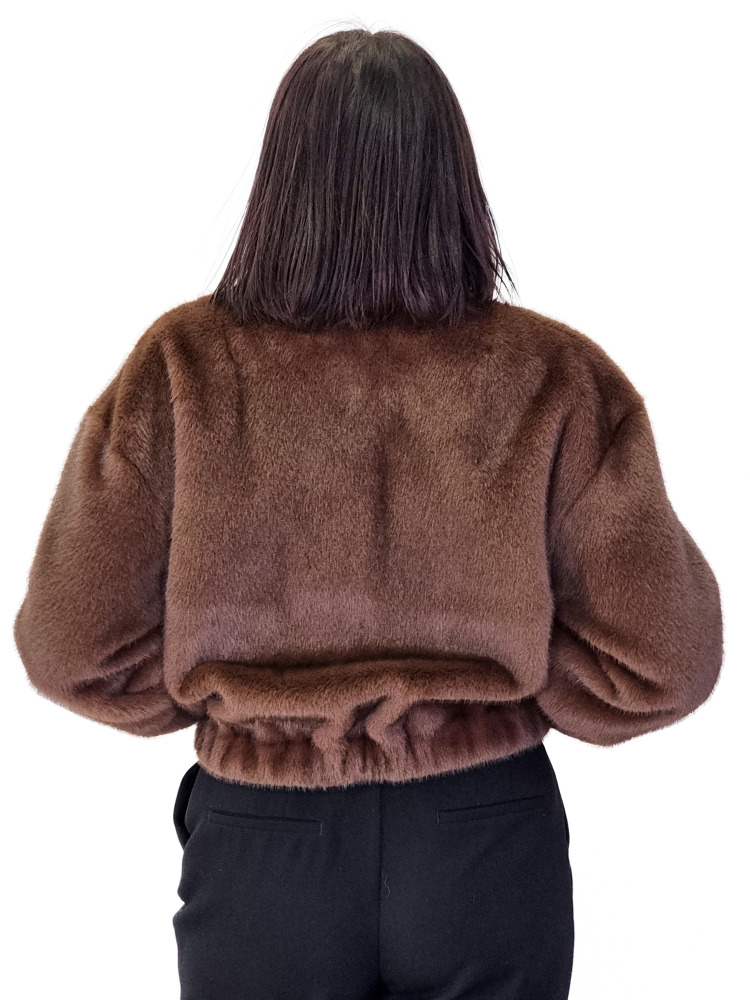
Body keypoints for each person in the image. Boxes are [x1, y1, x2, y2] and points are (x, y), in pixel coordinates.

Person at [13, 26, 723, 1000]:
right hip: (482, 835)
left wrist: (232, 699)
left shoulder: (182, 369)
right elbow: (666, 657)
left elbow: (69, 642)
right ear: (454, 180)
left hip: (263, 840)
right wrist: (493, 683)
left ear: (281, 178)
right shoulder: (551, 375)